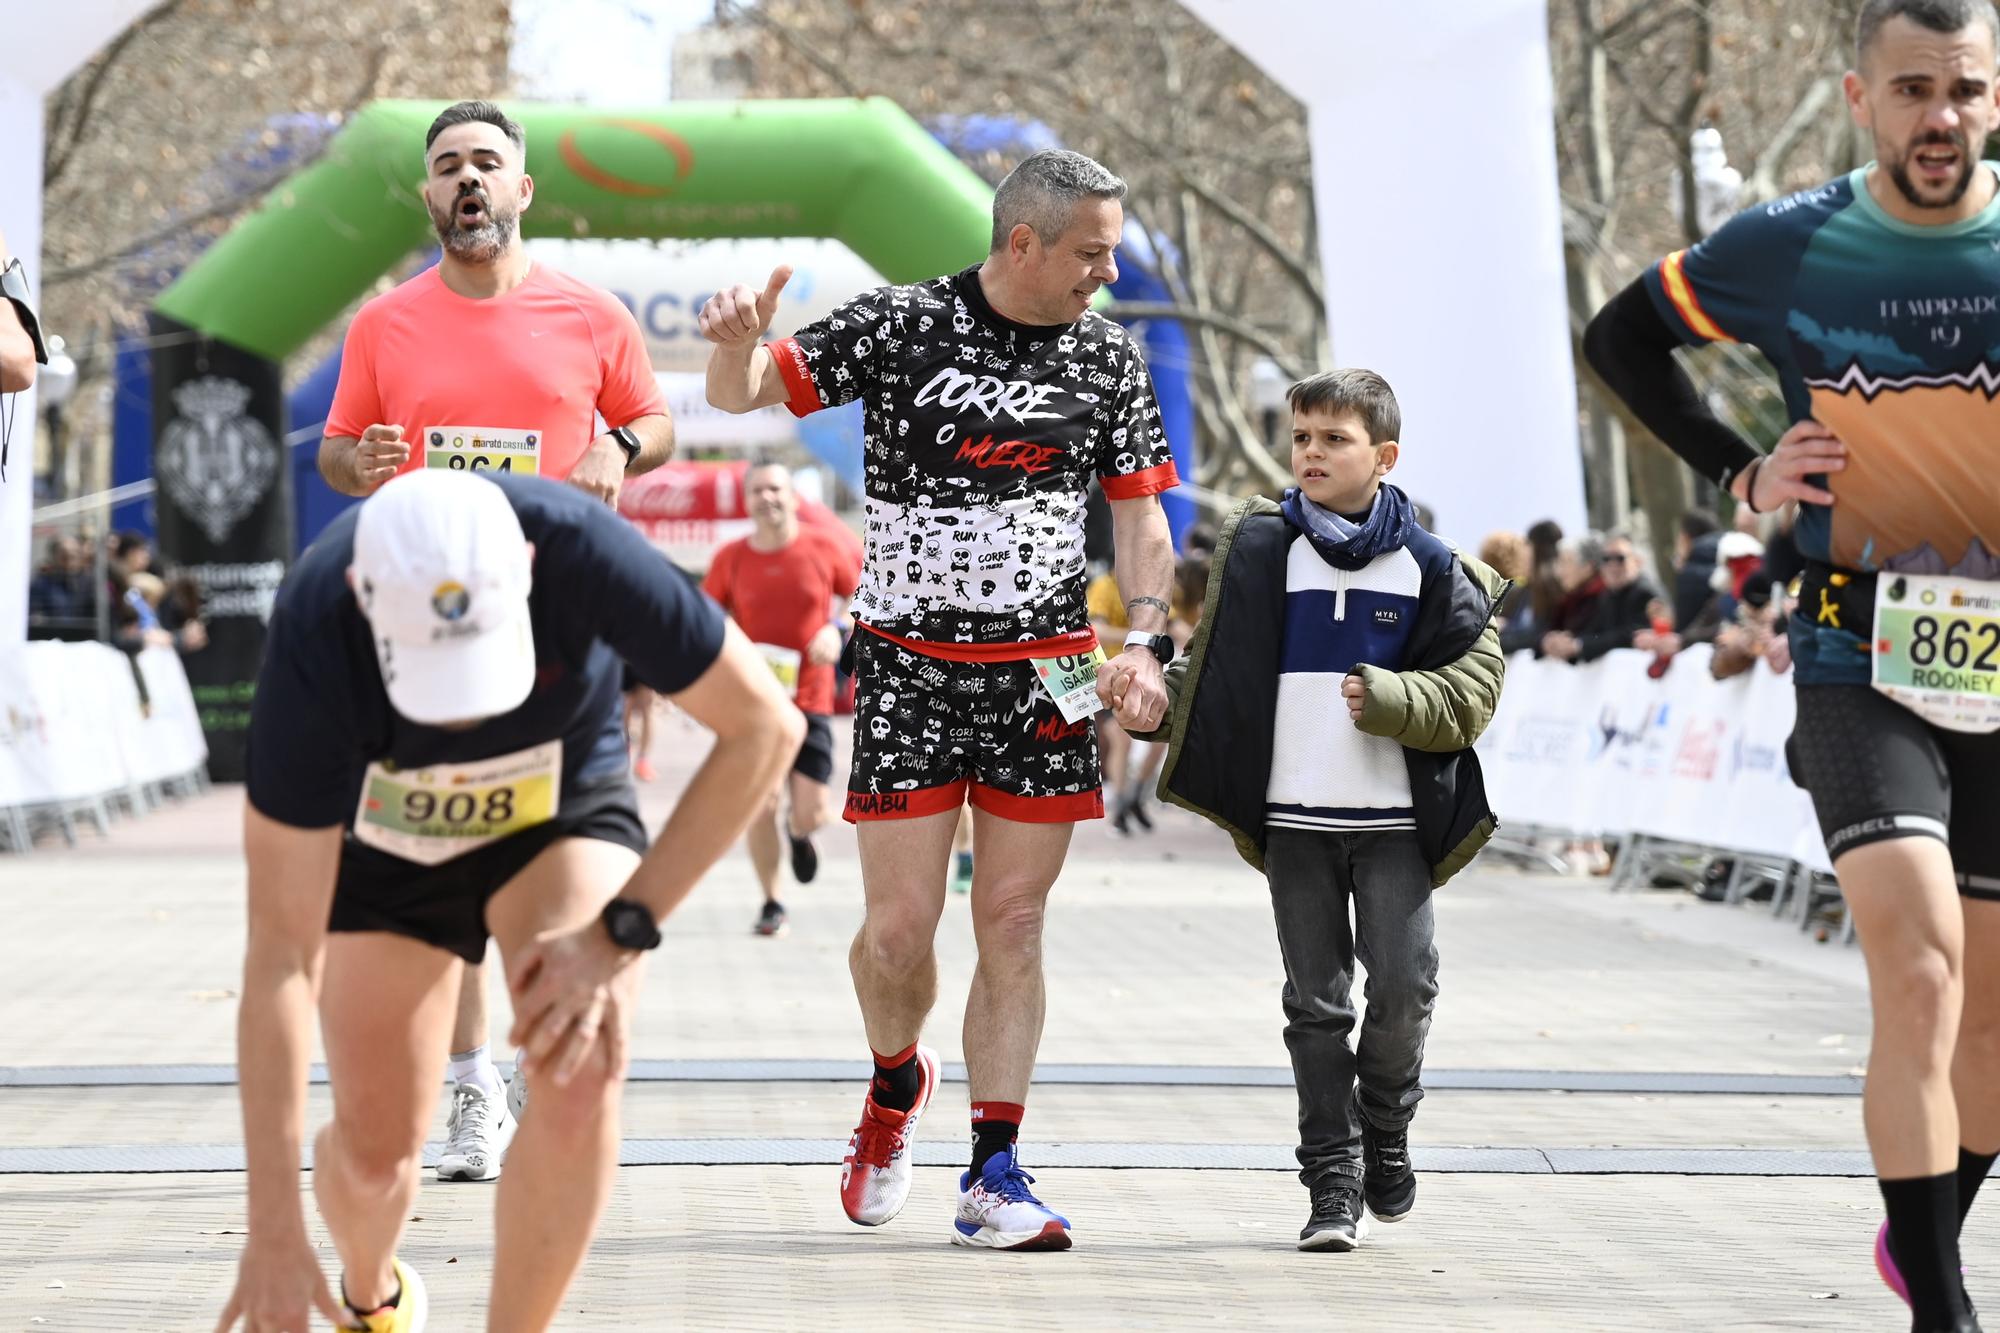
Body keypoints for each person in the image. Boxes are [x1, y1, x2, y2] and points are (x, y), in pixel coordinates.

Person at [1584, 4, 2000, 1328]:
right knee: (1919, 969)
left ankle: (1920, 1228)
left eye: (1964, 90)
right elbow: (1620, 338)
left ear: (1995, 98)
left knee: (1990, 1025)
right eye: (1912, 89)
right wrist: (1741, 470)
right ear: (1860, 99)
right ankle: (1943, 1309)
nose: (1940, 116)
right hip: (1851, 645)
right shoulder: (1791, 242)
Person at [701, 147, 1178, 1250]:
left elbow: (1141, 514)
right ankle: (891, 1084)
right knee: (898, 931)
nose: (1107, 274)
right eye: (1092, 252)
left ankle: (993, 1172)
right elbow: (744, 389)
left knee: (1013, 916)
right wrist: (732, 346)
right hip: (909, 666)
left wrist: (1148, 644)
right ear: (1024, 241)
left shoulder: (1107, 357)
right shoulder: (903, 323)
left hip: (1049, 672)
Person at [215, 470, 798, 1333]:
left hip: (554, 810)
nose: (461, 721)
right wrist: (271, 1227)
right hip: (392, 840)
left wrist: (618, 933)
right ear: (362, 595)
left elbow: (766, 727)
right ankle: (371, 1293)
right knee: (375, 1154)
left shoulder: (583, 549)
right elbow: (280, 961)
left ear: (527, 568)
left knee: (579, 1061)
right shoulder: (314, 624)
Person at [317, 100, 676, 1186]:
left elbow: (656, 421)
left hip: (561, 624)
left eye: (486, 162)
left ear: (522, 189)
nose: (467, 178)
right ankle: (472, 1089)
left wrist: (620, 445)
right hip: (430, 631)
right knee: (450, 857)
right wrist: (361, 462)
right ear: (428, 196)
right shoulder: (385, 324)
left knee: (560, 866)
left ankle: (534, 1056)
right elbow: (338, 450)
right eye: (447, 166)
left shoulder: (590, 314)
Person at [1127, 369, 1506, 1251]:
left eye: (1335, 439)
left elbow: (1473, 694)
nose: (1311, 453)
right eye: (1302, 437)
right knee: (1316, 1006)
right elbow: (1216, 671)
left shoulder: (1436, 565)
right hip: (1293, 824)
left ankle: (1387, 1120)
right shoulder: (1263, 551)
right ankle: (1332, 1178)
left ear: (1384, 455)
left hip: (1395, 827)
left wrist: (1392, 698)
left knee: (1406, 988)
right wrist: (1151, 699)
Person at [703, 458, 862, 937]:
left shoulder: (824, 547)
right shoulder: (731, 558)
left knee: (812, 812)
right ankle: (772, 902)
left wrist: (836, 629)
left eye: (775, 489)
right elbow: (706, 617)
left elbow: (861, 596)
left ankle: (799, 833)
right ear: (747, 501)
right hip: (757, 705)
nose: (767, 498)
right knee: (761, 804)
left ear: (793, 497)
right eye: (757, 491)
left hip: (811, 699)